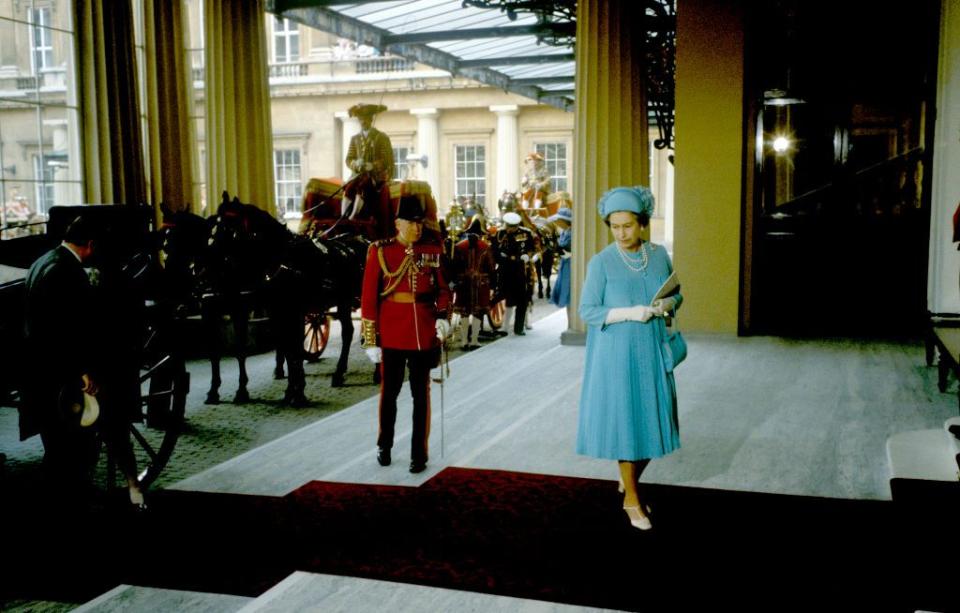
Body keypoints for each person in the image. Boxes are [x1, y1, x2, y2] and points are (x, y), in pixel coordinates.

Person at [576, 186, 682, 531]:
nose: (621, 233)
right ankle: (631, 499)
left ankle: (628, 479)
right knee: (627, 423)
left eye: (628, 226)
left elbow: (675, 292)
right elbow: (588, 310)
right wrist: (629, 313)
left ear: (642, 224)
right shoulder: (602, 262)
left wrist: (668, 304)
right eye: (614, 226)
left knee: (653, 417)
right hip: (617, 354)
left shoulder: (658, 254)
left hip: (651, 348)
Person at [361, 196, 452, 473]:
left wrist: (443, 316)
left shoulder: (433, 250)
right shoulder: (380, 251)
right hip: (391, 333)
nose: (417, 228)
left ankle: (418, 454)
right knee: (389, 394)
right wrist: (371, 339)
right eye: (412, 223)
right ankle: (384, 445)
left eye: (420, 222)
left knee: (421, 395)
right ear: (398, 223)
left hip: (423, 333)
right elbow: (368, 299)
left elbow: (444, 289)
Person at [22, 215, 102, 507]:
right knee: (69, 448)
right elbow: (65, 330)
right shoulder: (67, 271)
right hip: (58, 374)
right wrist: (82, 371)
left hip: (39, 370)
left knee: (55, 445)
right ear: (90, 244)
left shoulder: (42, 262)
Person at [451, 215, 496, 349]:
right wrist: (493, 283)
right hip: (480, 283)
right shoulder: (486, 246)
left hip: (463, 282)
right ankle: (474, 341)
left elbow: (455, 266)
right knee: (478, 312)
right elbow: (491, 267)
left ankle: (464, 341)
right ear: (481, 234)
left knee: (464, 312)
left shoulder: (459, 246)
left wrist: (456, 280)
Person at [344, 102, 394, 220]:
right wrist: (355, 164)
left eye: (365, 119)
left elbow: (386, 159)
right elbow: (349, 159)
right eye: (361, 119)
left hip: (376, 176)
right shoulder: (354, 139)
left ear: (371, 119)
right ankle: (344, 216)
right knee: (349, 187)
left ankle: (353, 216)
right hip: (358, 174)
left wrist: (372, 166)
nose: (363, 122)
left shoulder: (381, 137)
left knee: (363, 185)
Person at [495, 211, 537, 335]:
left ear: (516, 226)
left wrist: (528, 256)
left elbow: (532, 249)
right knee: (508, 299)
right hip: (505, 270)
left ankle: (519, 328)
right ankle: (505, 327)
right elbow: (496, 250)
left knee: (521, 301)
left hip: (520, 270)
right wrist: (504, 258)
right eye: (507, 226)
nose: (508, 229)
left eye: (511, 227)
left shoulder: (526, 233)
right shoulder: (500, 234)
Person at [548, 205, 573, 308]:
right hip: (564, 263)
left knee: (569, 293)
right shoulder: (564, 232)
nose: (557, 223)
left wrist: (569, 254)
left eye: (558, 221)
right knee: (565, 292)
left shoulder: (573, 232)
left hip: (571, 264)